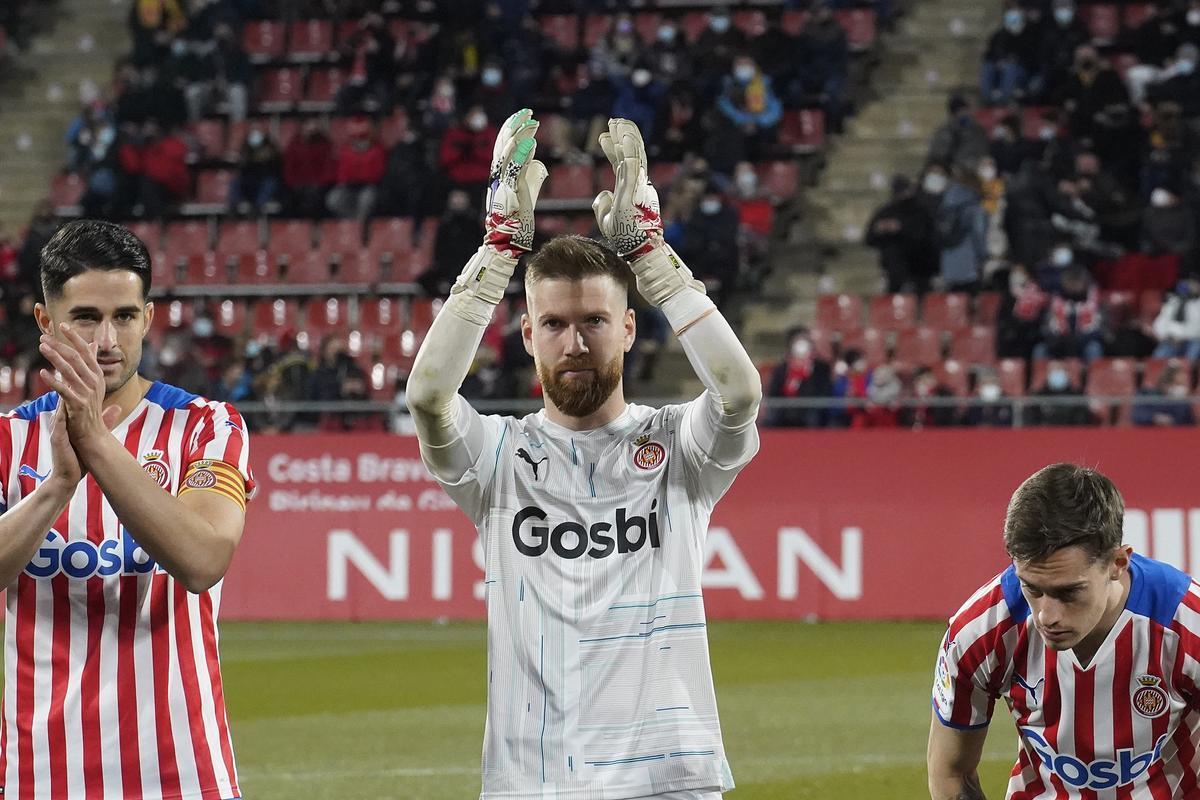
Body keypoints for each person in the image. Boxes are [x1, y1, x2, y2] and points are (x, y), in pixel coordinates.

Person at [406, 112, 759, 799]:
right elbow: (426, 397)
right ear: (527, 334)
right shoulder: (498, 457)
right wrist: (499, 252)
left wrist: (652, 260)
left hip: (670, 777)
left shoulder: (680, 446)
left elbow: (741, 392)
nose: (575, 343)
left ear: (628, 328)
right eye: (555, 325)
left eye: (594, 321)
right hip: (535, 779)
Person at [0, 220, 254, 797]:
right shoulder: (7, 442)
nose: (108, 340)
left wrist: (93, 442)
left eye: (125, 316)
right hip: (41, 774)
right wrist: (58, 486)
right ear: (46, 321)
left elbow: (201, 558)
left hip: (182, 772)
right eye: (86, 317)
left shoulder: (206, 426)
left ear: (149, 317)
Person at [928, 464, 1200, 799]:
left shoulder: (1188, 628)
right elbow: (951, 774)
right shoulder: (979, 632)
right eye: (1032, 589)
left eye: (1068, 593)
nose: (1046, 615)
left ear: (1118, 563)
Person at [865, 175, 937, 294]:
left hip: (920, 269)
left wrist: (900, 228)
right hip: (895, 271)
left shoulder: (921, 211)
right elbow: (869, 239)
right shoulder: (885, 212)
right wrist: (880, 230)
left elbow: (924, 236)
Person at [1152, 276, 1200, 360]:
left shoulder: (1198, 304)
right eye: (1188, 283)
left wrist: (1182, 337)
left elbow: (1197, 328)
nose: (1190, 286)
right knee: (1158, 359)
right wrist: (1168, 337)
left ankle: (1191, 371)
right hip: (1171, 340)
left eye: (1194, 284)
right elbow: (1160, 324)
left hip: (1193, 340)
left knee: (1194, 351)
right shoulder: (1173, 301)